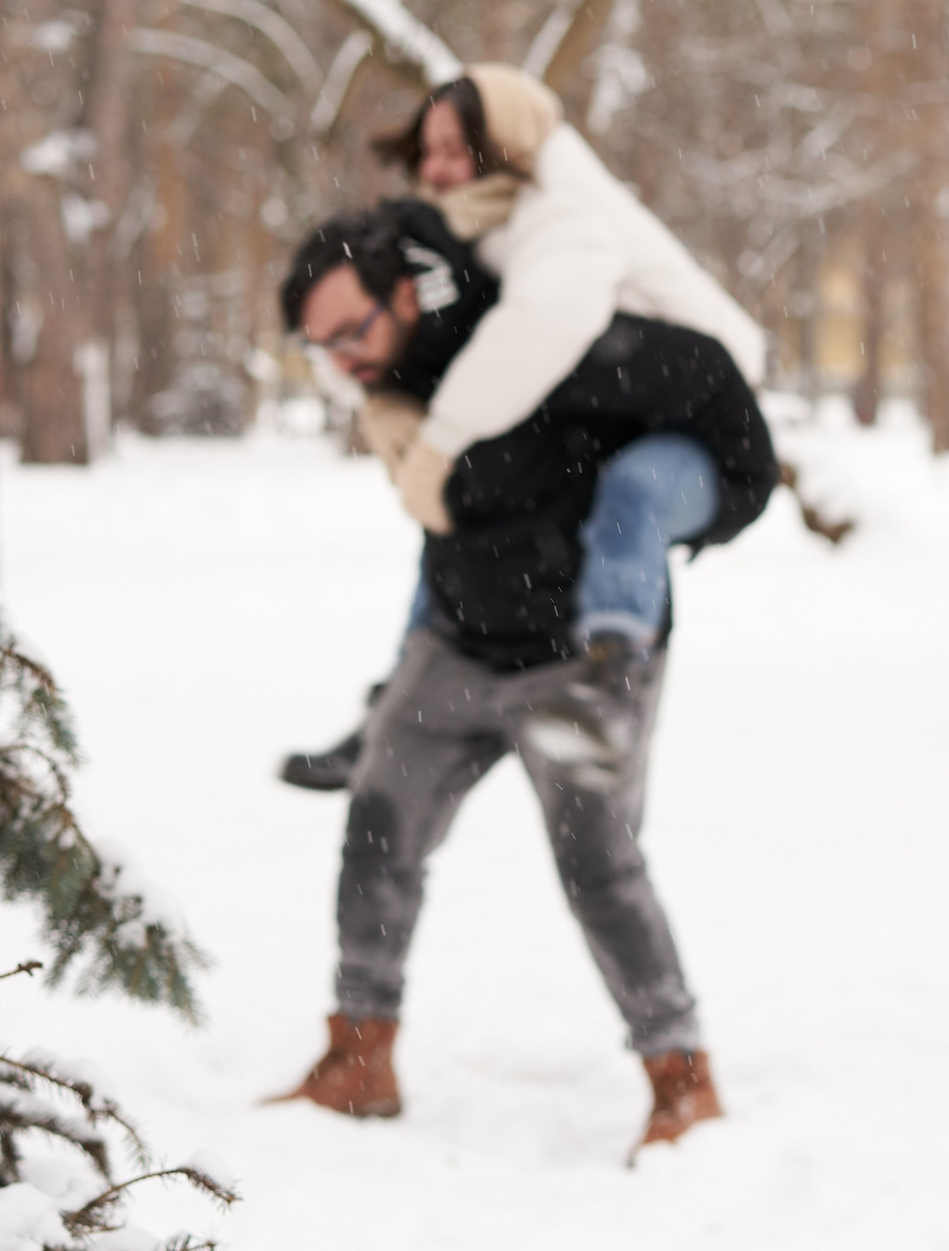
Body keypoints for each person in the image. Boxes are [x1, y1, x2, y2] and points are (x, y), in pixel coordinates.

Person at [270, 202, 775, 1152]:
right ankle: (359, 1055)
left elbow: (707, 372)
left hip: (577, 659)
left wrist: (734, 481)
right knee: (378, 824)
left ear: (407, 293)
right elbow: (444, 526)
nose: (339, 358)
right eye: (318, 344)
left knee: (599, 865)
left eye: (351, 331)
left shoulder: (537, 338)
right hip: (458, 641)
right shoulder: (395, 386)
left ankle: (681, 1076)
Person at [279, 66, 768, 791]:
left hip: (706, 433)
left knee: (630, 496)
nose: (435, 167)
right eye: (427, 148)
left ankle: (609, 688)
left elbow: (542, 323)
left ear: (503, 142)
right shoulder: (487, 215)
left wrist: (438, 441)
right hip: (618, 416)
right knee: (462, 513)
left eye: (453, 147)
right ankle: (395, 707)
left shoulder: (565, 214)